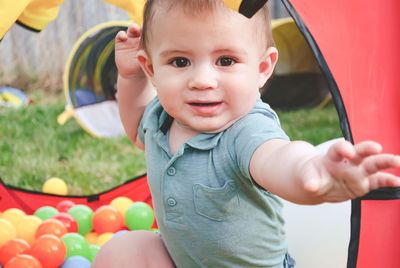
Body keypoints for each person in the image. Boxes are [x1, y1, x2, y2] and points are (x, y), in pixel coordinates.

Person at [93, 1, 400, 267]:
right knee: (123, 251)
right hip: (183, 261)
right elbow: (136, 128)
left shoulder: (246, 130)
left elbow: (277, 157)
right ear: (151, 68)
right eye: (180, 62)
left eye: (225, 61)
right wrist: (130, 77)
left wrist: (311, 169)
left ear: (263, 67)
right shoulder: (163, 116)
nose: (202, 80)